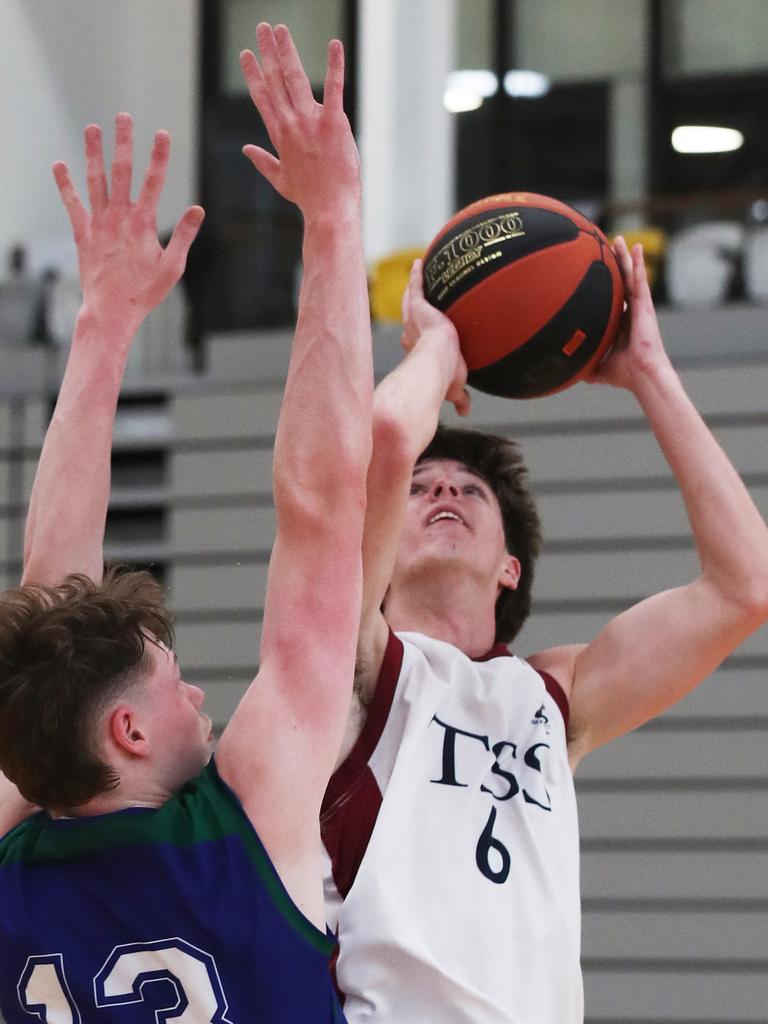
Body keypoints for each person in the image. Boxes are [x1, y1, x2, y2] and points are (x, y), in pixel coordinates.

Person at [0, 23, 371, 1023]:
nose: (197, 690)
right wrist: (334, 224)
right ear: (126, 730)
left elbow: (50, 591)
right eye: (172, 684)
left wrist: (105, 324)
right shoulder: (241, 824)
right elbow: (326, 506)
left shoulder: (11, 852)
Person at [321, 245, 768, 1022]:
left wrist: (649, 373)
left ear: (510, 569)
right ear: (381, 553)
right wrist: (437, 347)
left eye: (469, 489)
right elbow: (388, 434)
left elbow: (745, 587)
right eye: (422, 489)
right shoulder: (351, 663)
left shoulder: (553, 697)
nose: (446, 490)